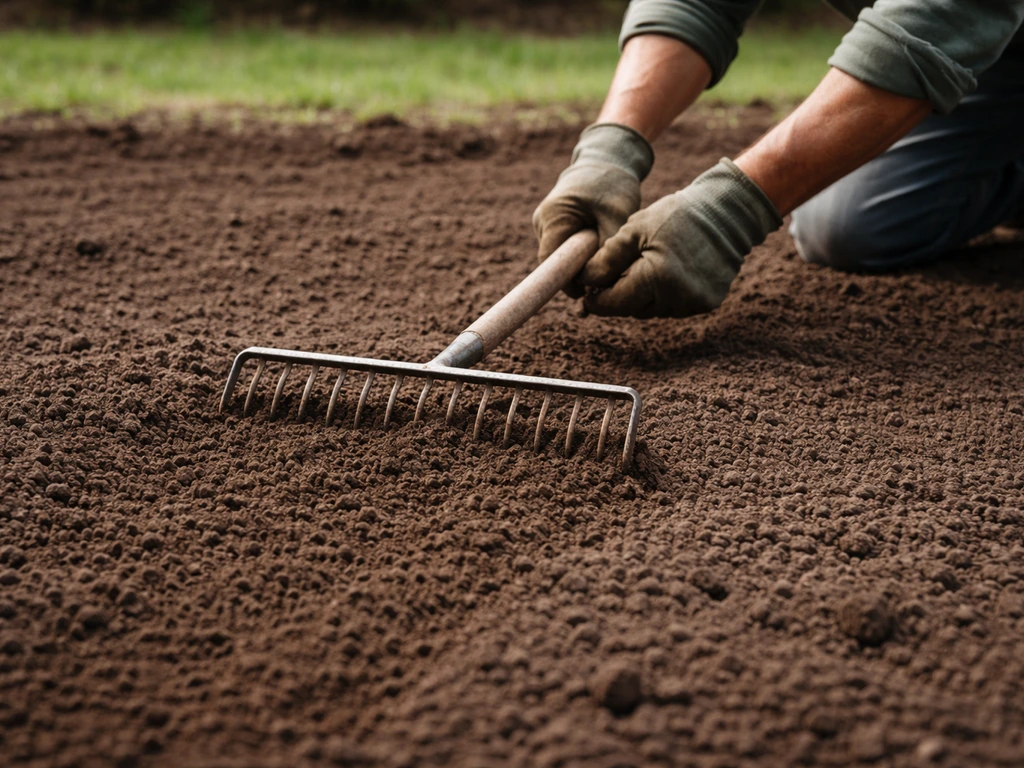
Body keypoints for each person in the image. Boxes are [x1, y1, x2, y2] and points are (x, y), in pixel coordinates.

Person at [533, 0, 1024, 319]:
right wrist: (611, 146)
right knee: (849, 226)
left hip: (969, 25)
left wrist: (728, 211)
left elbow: (941, 21)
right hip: (988, 58)